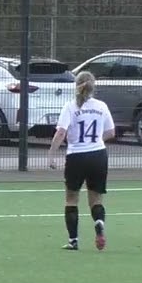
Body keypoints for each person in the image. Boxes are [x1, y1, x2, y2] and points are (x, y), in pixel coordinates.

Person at [47, 71, 114, 251]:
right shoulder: (101, 106)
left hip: (76, 156)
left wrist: (51, 154)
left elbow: (61, 132)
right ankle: (99, 223)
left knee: (71, 198)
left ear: (76, 85)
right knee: (96, 199)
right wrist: (96, 140)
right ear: (93, 86)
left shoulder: (70, 106)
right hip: (98, 155)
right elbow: (111, 132)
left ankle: (73, 240)